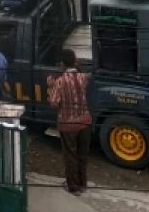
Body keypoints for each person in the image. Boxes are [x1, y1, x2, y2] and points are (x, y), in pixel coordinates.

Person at [47, 48, 91, 195]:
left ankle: (73, 187)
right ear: (74, 61)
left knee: (70, 156)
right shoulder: (83, 77)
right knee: (82, 155)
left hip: (68, 125)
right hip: (85, 122)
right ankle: (83, 184)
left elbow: (53, 102)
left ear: (61, 64)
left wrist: (50, 86)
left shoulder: (60, 82)